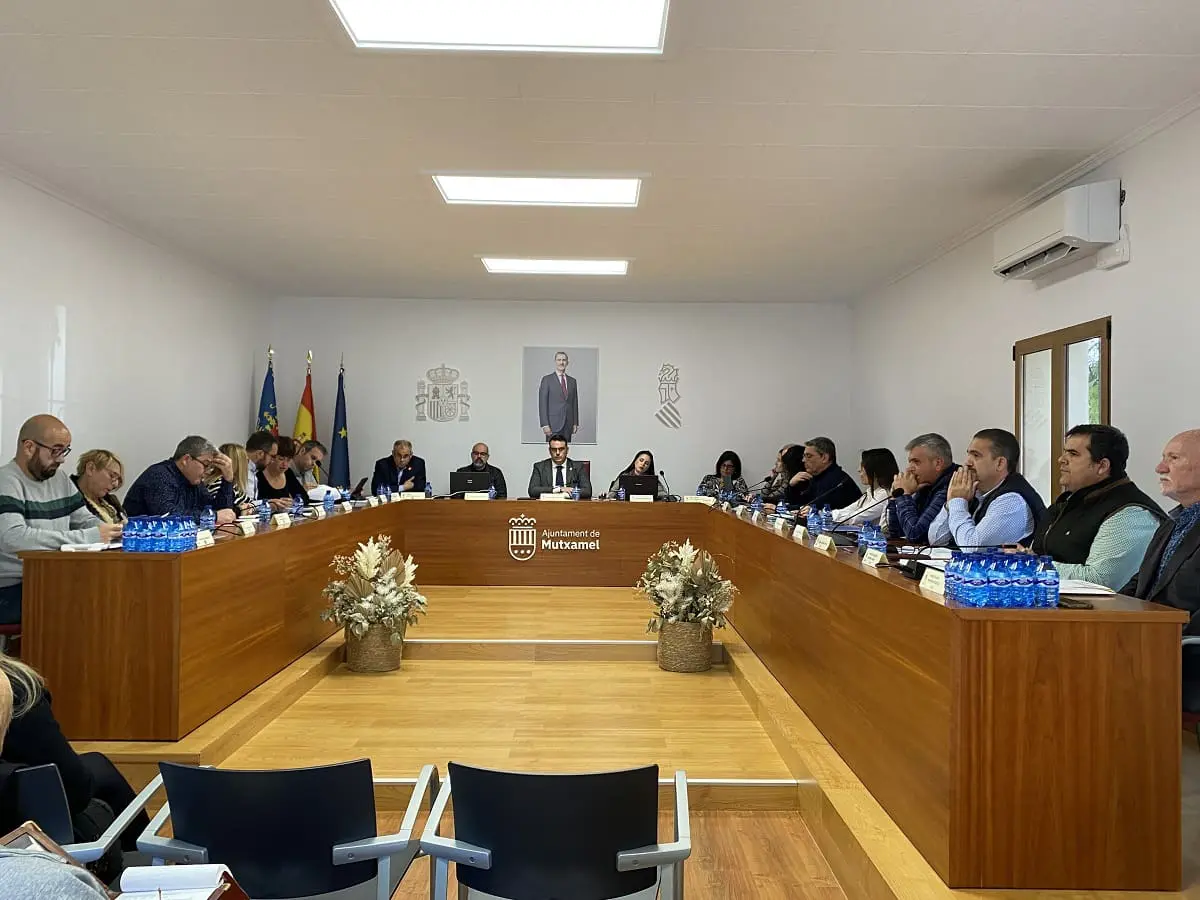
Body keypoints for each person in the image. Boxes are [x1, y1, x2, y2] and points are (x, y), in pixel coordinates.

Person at [0, 653, 149, 881]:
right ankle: (148, 870)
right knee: (99, 783)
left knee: (98, 766)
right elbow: (75, 789)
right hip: (36, 849)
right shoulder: (17, 689)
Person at [0, 416, 118, 626]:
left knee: (111, 590)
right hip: (13, 587)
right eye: (56, 451)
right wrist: (87, 537)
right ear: (29, 447)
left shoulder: (60, 479)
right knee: (87, 604)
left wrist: (111, 531)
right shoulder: (7, 481)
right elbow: (13, 537)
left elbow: (84, 519)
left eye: (65, 451)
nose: (62, 459)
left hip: (53, 577)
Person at [1029, 425, 1165, 589]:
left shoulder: (1131, 512)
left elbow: (1099, 580)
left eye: (1073, 454)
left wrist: (1031, 565)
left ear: (1102, 466)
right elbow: (1040, 551)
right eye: (1065, 452)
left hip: (1091, 605)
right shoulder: (1069, 501)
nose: (1061, 460)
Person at [1121, 430, 1200, 711]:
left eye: (1173, 458)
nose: (1160, 467)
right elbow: (1142, 581)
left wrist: (1158, 638)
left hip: (1183, 651)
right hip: (1148, 641)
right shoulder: (1173, 521)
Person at [928, 428, 1047, 549]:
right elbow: (936, 540)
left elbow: (972, 548)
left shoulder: (1012, 501)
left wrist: (958, 501)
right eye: (968, 454)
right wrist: (951, 503)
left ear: (1000, 463)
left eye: (976, 456)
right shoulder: (975, 492)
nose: (967, 462)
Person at [124, 436, 237, 524]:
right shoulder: (159, 476)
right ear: (186, 459)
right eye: (206, 465)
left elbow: (221, 512)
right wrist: (213, 516)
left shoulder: (194, 481)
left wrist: (227, 479)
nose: (208, 471)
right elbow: (168, 517)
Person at [888, 433, 959, 542]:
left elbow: (915, 535)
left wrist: (904, 495)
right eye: (910, 462)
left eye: (916, 462)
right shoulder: (925, 485)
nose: (909, 469)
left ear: (938, 464)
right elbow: (897, 534)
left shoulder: (952, 485)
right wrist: (896, 496)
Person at [806, 448, 898, 527]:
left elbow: (855, 517)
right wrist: (819, 513)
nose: (859, 470)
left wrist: (820, 515)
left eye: (863, 467)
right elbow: (848, 510)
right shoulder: (870, 491)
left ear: (875, 470)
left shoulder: (885, 494)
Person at [784, 438, 861, 511]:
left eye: (808, 456)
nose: (803, 460)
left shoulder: (837, 481)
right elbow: (803, 503)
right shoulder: (818, 477)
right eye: (804, 456)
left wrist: (786, 508)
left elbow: (816, 509)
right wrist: (792, 487)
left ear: (824, 458)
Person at [71, 449, 127, 524]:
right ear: (90, 468)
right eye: (112, 475)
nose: (116, 484)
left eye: (118, 479)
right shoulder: (69, 500)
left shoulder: (112, 501)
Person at [528, 434, 592, 499]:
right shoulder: (539, 467)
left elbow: (587, 491)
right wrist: (559, 489)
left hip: (571, 504)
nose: (557, 453)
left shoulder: (578, 467)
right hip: (547, 504)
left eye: (561, 449)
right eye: (554, 449)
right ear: (549, 450)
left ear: (567, 450)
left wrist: (568, 494)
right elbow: (532, 490)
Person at [538, 351, 580, 441]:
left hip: (568, 424)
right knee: (553, 449)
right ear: (555, 362)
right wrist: (545, 424)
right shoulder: (547, 380)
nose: (561, 362)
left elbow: (574, 403)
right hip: (553, 425)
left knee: (566, 449)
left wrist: (575, 423)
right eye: (559, 360)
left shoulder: (572, 381)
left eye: (564, 360)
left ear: (567, 362)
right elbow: (542, 403)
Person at [256, 436, 306, 508]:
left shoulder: (288, 473)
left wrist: (294, 502)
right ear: (271, 457)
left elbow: (304, 497)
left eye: (288, 460)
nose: (285, 464)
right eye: (281, 459)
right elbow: (253, 504)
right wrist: (270, 505)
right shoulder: (258, 475)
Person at [214, 443, 254, 512]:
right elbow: (225, 511)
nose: (247, 465)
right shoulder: (219, 483)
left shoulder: (233, 484)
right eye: (246, 461)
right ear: (239, 463)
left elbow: (250, 504)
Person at [244, 431, 278, 504]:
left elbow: (251, 503)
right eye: (272, 456)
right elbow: (244, 506)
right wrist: (268, 504)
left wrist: (268, 503)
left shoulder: (254, 470)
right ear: (260, 454)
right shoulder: (239, 469)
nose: (272, 461)